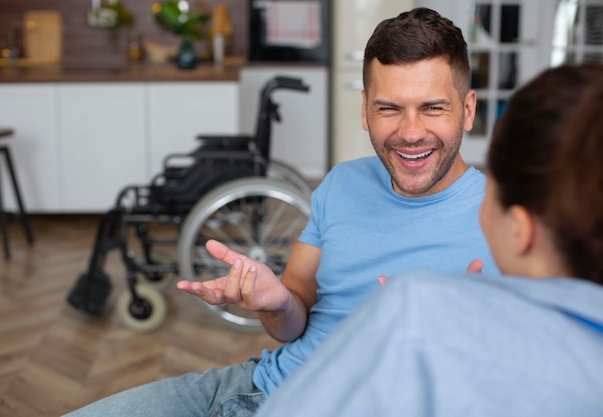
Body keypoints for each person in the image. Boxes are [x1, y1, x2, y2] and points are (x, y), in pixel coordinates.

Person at [63, 8, 499, 417]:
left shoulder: (510, 222)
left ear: (467, 110)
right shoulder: (341, 184)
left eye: (432, 108)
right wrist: (273, 302)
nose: (410, 133)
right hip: (259, 391)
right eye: (389, 108)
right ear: (365, 110)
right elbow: (290, 322)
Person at [253, 63, 603, 417]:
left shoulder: (418, 310)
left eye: (491, 189)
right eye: (389, 108)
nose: (411, 132)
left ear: (521, 230)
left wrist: (413, 327)